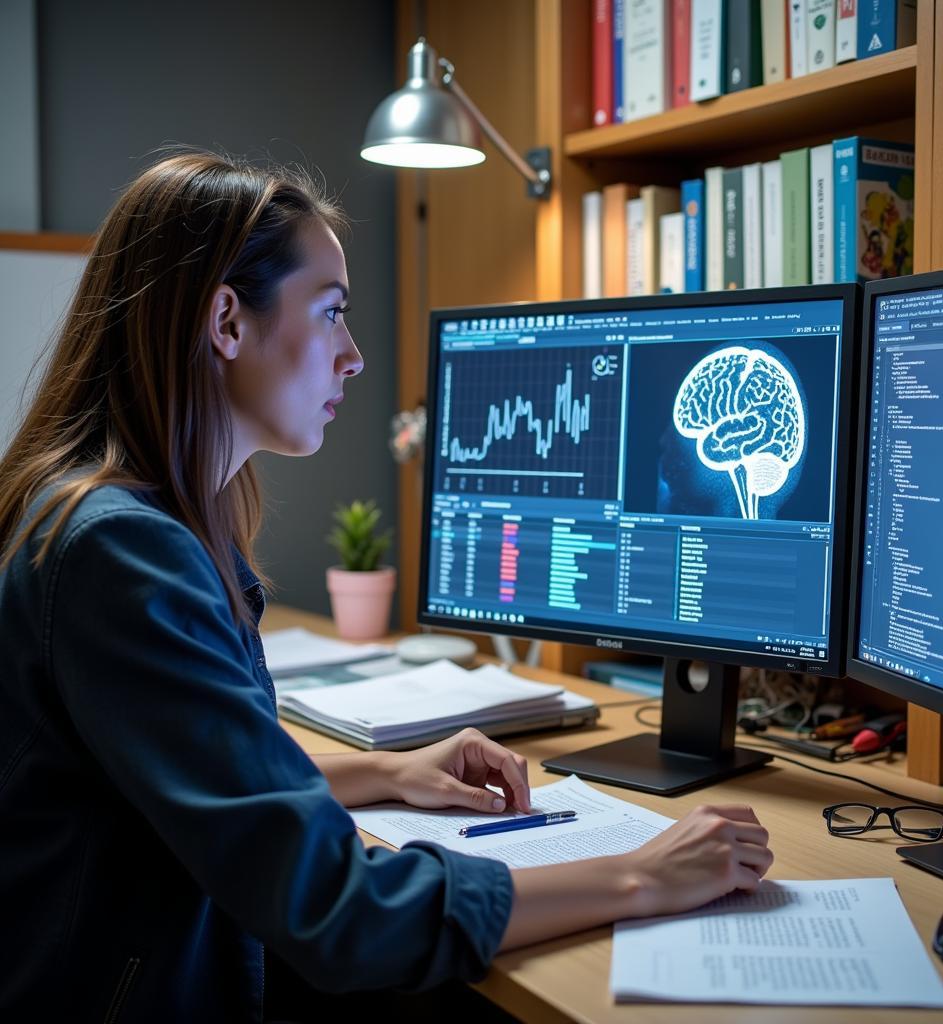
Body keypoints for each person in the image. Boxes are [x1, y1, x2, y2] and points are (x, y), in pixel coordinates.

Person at [0, 152, 773, 1023]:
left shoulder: (109, 517)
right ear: (226, 319)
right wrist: (645, 874)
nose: (355, 357)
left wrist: (385, 774)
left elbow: (195, 788)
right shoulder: (123, 554)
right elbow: (339, 913)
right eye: (331, 314)